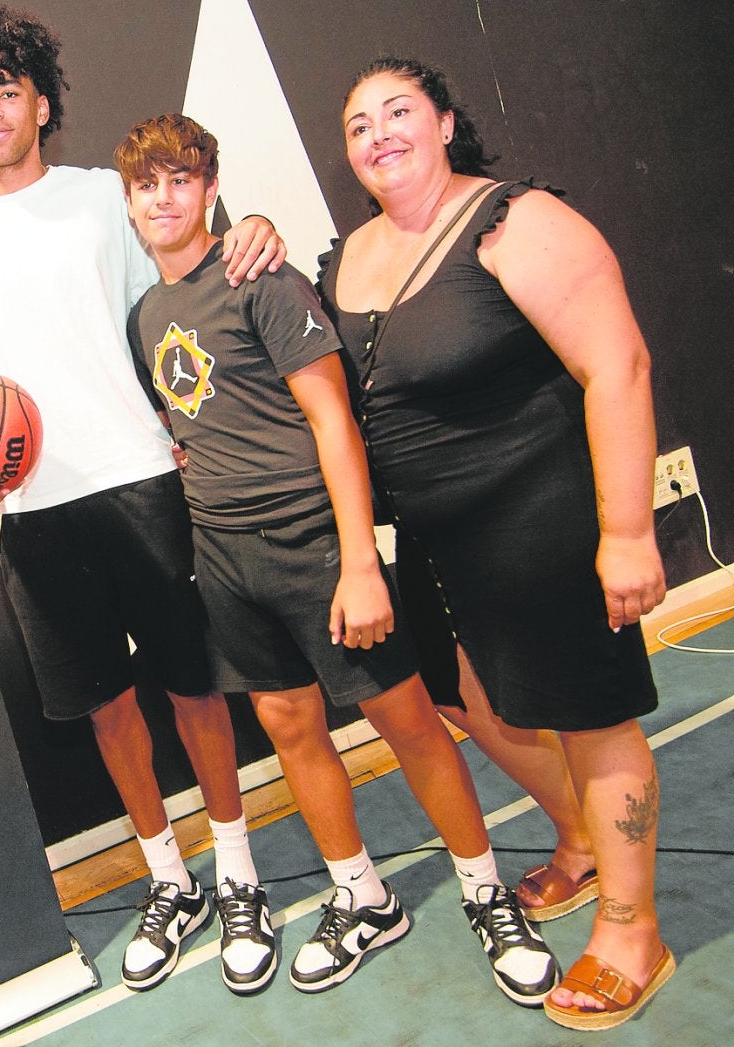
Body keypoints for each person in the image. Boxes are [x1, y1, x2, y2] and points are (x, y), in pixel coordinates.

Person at [117, 113, 557, 1005]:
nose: (163, 198)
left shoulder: (259, 279)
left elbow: (332, 420)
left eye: (180, 179)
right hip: (226, 557)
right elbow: (188, 427)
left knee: (408, 723)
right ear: (129, 203)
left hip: (315, 543)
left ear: (209, 188)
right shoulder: (145, 316)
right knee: (288, 727)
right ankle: (362, 896)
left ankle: (485, 894)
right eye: (145, 185)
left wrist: (360, 558)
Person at [0, 2, 286, 995]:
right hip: (35, 510)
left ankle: (238, 868)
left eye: (7, 91)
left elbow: (184, 281)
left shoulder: (99, 201)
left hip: (143, 477)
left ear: (41, 103)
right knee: (106, 705)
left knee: (192, 685)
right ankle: (169, 880)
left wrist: (247, 223)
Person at [318, 58, 672, 1030]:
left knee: (587, 715)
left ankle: (632, 929)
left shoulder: (515, 222)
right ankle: (578, 839)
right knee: (466, 699)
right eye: (357, 123)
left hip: (538, 522)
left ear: (441, 123)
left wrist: (627, 530)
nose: (378, 132)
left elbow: (618, 364)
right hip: (430, 544)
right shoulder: (344, 256)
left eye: (397, 111)